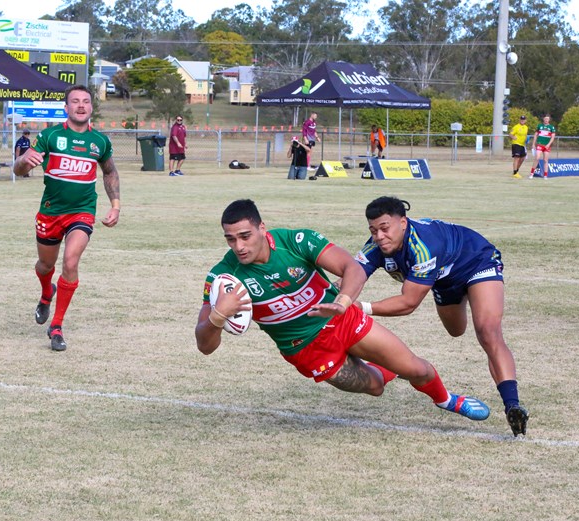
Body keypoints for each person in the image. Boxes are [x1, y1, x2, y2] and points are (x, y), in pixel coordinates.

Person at [196, 199, 491, 424]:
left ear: (262, 228)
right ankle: (388, 368)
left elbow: (352, 268)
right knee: (375, 387)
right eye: (231, 239)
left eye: (245, 236)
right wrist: (218, 316)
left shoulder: (297, 241)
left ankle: (448, 400)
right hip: (307, 350)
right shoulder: (224, 278)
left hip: (343, 321)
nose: (239, 246)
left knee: (417, 369)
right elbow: (204, 346)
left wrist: (344, 302)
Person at [351, 196, 527, 436]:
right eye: (373, 230)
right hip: (444, 281)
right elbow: (352, 276)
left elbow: (408, 303)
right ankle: (467, 296)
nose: (379, 236)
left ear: (403, 222)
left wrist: (360, 307)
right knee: (456, 330)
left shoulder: (423, 247)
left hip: (476, 261)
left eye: (384, 228)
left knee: (488, 332)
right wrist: (333, 297)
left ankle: (512, 405)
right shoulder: (376, 245)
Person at [13, 84, 121, 352]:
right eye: (75, 101)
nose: (81, 105)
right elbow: (19, 169)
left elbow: (109, 172)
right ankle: (46, 292)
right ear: (67, 107)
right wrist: (25, 160)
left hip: (82, 211)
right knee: (44, 265)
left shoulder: (100, 142)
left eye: (86, 101)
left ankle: (57, 325)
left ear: (91, 108)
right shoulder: (49, 136)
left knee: (71, 261)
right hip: (50, 212)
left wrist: (115, 205)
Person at [529, 114, 556, 179]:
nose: (546, 120)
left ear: (549, 120)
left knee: (545, 160)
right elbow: (535, 135)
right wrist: (533, 144)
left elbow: (553, 137)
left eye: (547, 119)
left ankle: (545, 175)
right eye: (545, 119)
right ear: (543, 119)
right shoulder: (539, 126)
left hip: (547, 145)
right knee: (537, 158)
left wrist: (548, 144)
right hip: (540, 144)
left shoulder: (551, 127)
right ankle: (532, 173)